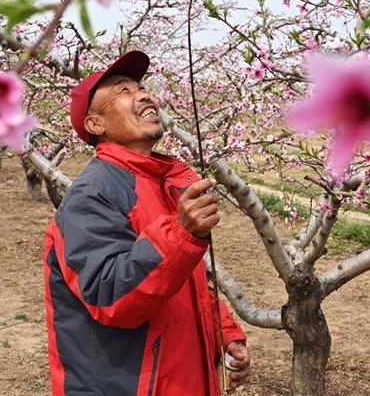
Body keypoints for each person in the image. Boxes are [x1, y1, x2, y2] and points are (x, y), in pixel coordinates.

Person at [43, 50, 251, 395]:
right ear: (96, 124)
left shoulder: (162, 183)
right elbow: (110, 295)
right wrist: (183, 233)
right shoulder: (92, 195)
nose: (143, 94)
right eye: (122, 90)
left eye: (141, 87)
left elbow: (185, 280)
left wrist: (222, 331)